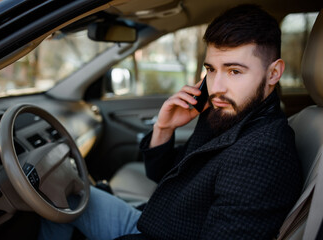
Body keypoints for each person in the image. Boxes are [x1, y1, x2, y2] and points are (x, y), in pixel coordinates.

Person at [39, 4, 302, 240]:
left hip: (152, 232)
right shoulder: (229, 116)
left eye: (234, 71)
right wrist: (165, 128)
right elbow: (165, 176)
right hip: (154, 221)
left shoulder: (264, 153)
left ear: (273, 73)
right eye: (211, 69)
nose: (216, 87)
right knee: (61, 194)